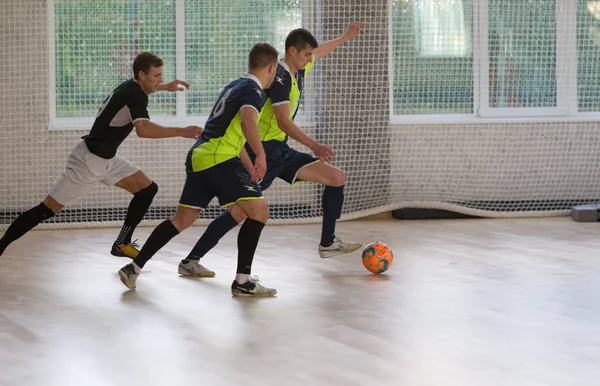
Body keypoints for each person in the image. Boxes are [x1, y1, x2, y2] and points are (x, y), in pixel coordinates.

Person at [177, 23, 364, 277]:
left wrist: (346, 36)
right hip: (260, 152)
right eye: (307, 54)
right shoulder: (280, 78)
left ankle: (327, 243)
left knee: (336, 177)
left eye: (311, 55)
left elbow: (321, 52)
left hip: (281, 151)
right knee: (240, 213)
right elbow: (282, 121)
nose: (311, 58)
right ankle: (191, 260)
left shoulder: (300, 66)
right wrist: (314, 145)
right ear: (291, 52)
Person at [0, 52, 201, 259]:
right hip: (87, 163)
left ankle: (122, 243)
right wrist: (181, 131)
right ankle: (1, 245)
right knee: (47, 209)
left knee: (147, 189)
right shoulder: (136, 95)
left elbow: (147, 91)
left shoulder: (130, 86)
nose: (159, 79)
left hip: (107, 160)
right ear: (142, 75)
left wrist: (166, 86)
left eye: (161, 75)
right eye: (156, 76)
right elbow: (144, 130)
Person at [117, 43, 280, 297]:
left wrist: (250, 167)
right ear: (272, 67)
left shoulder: (234, 85)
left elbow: (230, 134)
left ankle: (133, 268)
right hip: (219, 159)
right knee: (259, 212)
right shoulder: (255, 91)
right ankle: (243, 281)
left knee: (182, 220)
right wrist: (261, 155)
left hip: (200, 156)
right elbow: (248, 122)